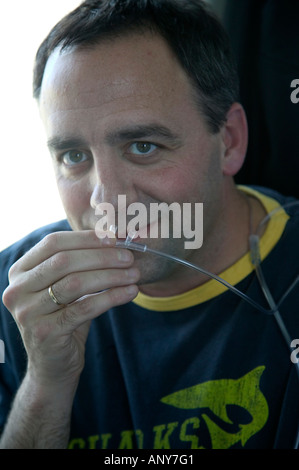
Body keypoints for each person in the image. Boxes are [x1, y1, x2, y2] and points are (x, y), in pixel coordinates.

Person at [0, 0, 298, 450]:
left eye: (143, 146)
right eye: (74, 157)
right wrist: (45, 385)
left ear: (230, 142)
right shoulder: (19, 293)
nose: (107, 199)